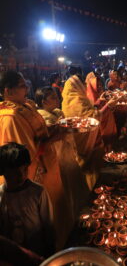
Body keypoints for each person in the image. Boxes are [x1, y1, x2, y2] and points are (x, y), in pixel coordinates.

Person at [0, 70, 69, 250]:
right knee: (42, 218)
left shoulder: (24, 106)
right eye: (22, 86)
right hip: (37, 172)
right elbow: (23, 157)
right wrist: (53, 138)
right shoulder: (10, 117)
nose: (27, 88)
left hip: (48, 164)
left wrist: (53, 129)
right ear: (8, 91)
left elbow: (38, 132)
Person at [35, 86, 89, 225]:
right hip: (55, 157)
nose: (58, 99)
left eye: (56, 96)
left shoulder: (57, 112)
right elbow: (43, 142)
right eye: (53, 97)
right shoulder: (42, 118)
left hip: (66, 153)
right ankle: (70, 220)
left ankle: (79, 214)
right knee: (65, 189)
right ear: (43, 101)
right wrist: (61, 131)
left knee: (74, 183)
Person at [62, 66, 117, 190]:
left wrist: (98, 102)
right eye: (82, 83)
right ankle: (91, 192)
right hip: (84, 141)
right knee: (88, 169)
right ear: (78, 86)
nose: (85, 85)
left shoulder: (73, 99)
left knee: (92, 167)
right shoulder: (76, 101)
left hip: (86, 138)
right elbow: (91, 119)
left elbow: (90, 110)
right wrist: (107, 106)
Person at [0, 143, 55, 257]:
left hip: (39, 254)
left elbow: (48, 227)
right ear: (3, 171)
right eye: (15, 171)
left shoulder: (38, 192)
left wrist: (51, 254)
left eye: (25, 169)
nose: (21, 175)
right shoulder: (1, 196)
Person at [86, 72, 117, 151]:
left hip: (108, 122)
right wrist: (107, 104)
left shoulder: (101, 93)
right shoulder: (89, 98)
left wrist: (111, 104)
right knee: (104, 147)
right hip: (101, 125)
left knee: (110, 145)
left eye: (100, 84)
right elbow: (96, 114)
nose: (99, 87)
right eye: (97, 85)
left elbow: (109, 107)